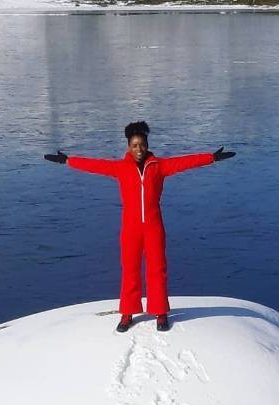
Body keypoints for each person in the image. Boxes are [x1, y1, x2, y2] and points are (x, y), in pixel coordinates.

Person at [44, 121, 235, 332]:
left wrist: (211, 157)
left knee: (157, 269)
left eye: (142, 145)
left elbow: (184, 162)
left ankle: (160, 313)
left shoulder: (158, 166)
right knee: (130, 270)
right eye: (134, 145)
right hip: (131, 229)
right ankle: (127, 313)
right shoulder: (120, 168)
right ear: (128, 146)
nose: (139, 149)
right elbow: (94, 165)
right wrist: (68, 160)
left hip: (153, 227)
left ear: (147, 145)